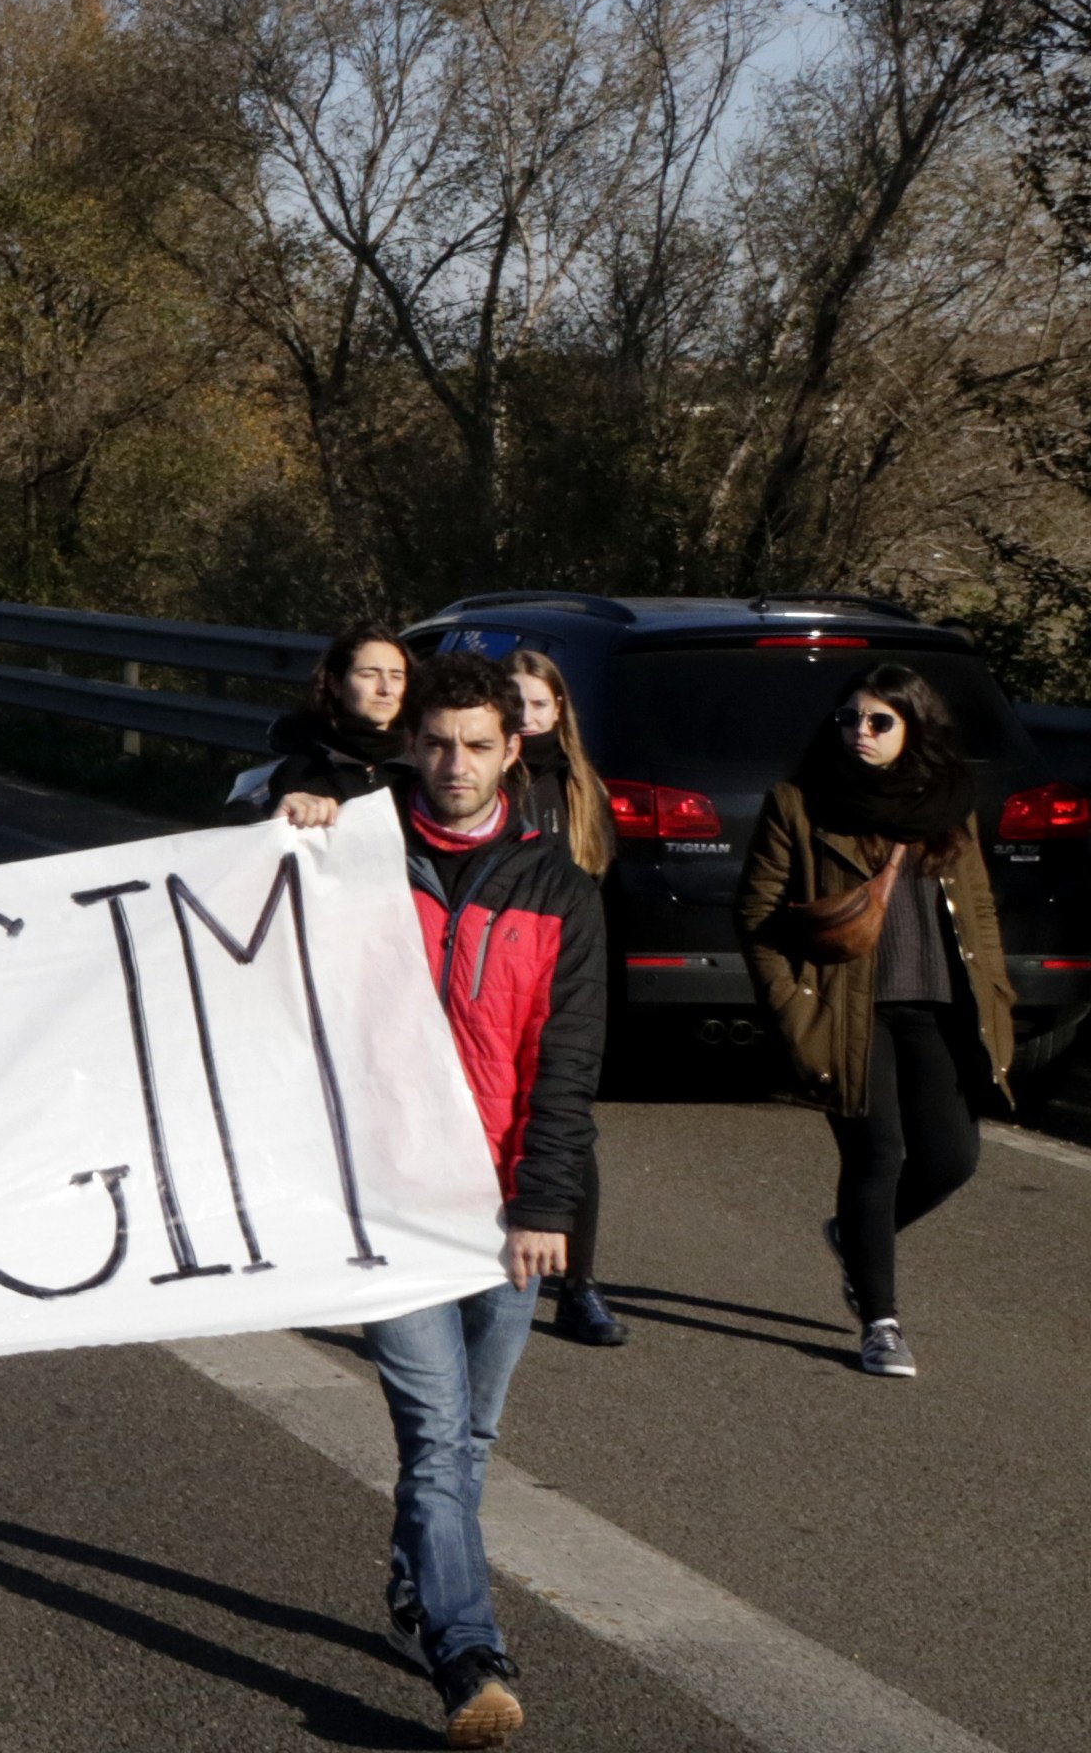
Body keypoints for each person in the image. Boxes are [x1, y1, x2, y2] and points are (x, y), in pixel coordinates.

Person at [281, 651, 603, 1748]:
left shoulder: (560, 889)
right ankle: (470, 1657)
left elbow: (567, 1069)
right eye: (435, 743)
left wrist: (546, 1206)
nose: (454, 765)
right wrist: (298, 827)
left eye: (476, 745)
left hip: (503, 1208)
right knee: (433, 1435)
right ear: (409, 746)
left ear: (514, 750)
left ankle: (418, 1582)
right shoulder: (353, 855)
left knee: (473, 1435)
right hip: (387, 1200)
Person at [738, 664, 1014, 1384]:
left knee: (954, 1159)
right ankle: (881, 1322)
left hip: (938, 1008)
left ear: (913, 728)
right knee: (876, 1157)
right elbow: (758, 917)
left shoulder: (951, 805)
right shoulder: (801, 805)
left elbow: (979, 908)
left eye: (878, 722)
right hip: (845, 1011)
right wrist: (793, 1011)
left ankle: (856, 1239)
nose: (859, 733)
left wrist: (998, 995)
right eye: (849, 720)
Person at [506, 649, 626, 1348]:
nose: (528, 717)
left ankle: (579, 1285)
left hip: (563, 977)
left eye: (539, 705)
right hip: (497, 975)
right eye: (514, 704)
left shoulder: (582, 791)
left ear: (560, 712)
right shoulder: (489, 777)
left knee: (567, 1126)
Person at [238, 624, 412, 819]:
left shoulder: (424, 766)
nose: (386, 689)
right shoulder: (300, 773)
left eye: (397, 676)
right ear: (336, 684)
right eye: (369, 674)